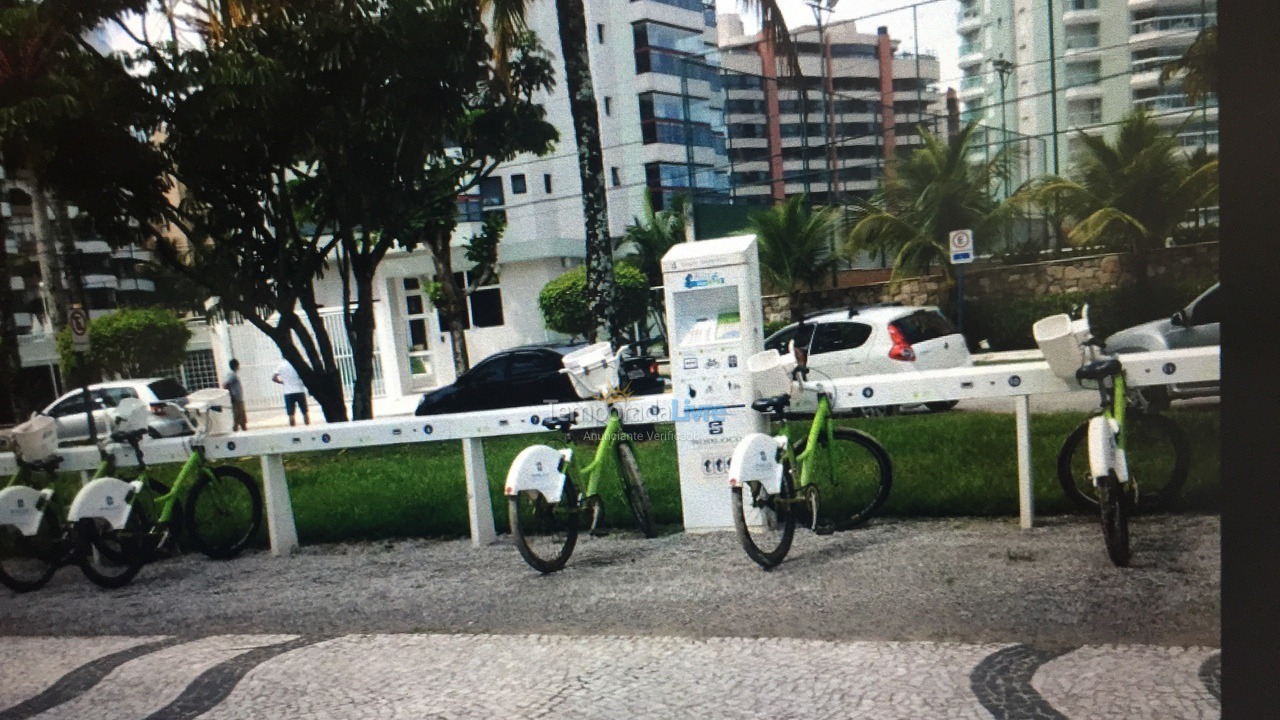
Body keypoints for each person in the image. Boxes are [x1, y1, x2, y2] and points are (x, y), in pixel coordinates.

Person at [272, 360, 310, 427]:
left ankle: (293, 428)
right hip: (299, 390)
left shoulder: (281, 365)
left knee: (291, 413)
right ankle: (308, 427)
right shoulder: (297, 364)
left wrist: (282, 382)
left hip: (288, 392)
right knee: (305, 412)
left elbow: (274, 378)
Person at [223, 359, 248, 431]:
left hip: (238, 398)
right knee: (238, 415)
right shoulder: (232, 375)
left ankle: (243, 429)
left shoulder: (233, 375)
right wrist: (231, 395)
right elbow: (226, 385)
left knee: (241, 416)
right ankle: (237, 429)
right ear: (236, 366)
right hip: (236, 399)